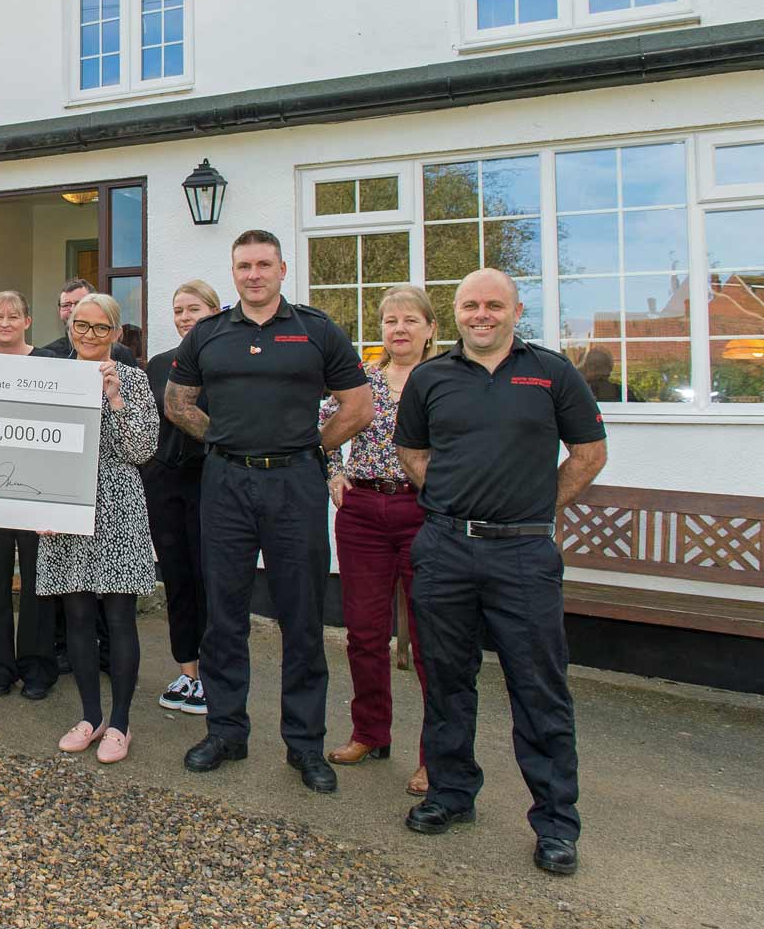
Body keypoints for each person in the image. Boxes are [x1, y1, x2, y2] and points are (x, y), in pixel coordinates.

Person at [396, 269, 607, 877]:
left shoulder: (551, 373)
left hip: (523, 555)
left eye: (493, 305)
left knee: (539, 690)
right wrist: (457, 499)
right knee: (447, 682)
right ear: (454, 313)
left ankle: (556, 824)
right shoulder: (431, 377)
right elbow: (412, 453)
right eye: (469, 305)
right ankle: (451, 795)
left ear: (516, 311)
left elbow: (590, 454)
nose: (481, 315)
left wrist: (535, 504)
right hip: (446, 551)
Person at [164, 228, 373, 793]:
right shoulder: (208, 334)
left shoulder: (316, 330)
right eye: (243, 266)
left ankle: (304, 745)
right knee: (224, 614)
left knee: (302, 616)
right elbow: (177, 402)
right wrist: (224, 439)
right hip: (227, 482)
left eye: (263, 264)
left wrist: (313, 446)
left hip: (295, 484)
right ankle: (226, 732)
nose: (253, 274)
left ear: (282, 269)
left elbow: (358, 405)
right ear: (233, 274)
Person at [319, 284, 440, 795]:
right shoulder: (363, 380)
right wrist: (333, 472)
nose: (400, 329)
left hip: (425, 512)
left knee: (432, 637)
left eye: (411, 320)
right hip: (364, 511)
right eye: (391, 320)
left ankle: (436, 755)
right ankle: (370, 732)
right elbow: (323, 425)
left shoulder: (445, 381)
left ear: (431, 328)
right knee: (365, 633)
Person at [36, 293, 159, 764]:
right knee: (79, 618)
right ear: (70, 329)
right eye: (81, 326)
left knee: (120, 619)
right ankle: (90, 716)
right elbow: (36, 445)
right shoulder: (52, 378)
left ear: (116, 333)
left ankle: (121, 722)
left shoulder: (133, 379)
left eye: (100, 328)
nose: (89, 335)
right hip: (66, 508)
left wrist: (115, 397)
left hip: (117, 505)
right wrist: (38, 504)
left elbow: (142, 448)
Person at [142, 280, 220, 716]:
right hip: (165, 484)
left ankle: (214, 673)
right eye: (178, 310)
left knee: (211, 577)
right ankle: (187, 671)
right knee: (176, 577)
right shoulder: (158, 364)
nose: (185, 317)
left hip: (212, 482)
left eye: (194, 309)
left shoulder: (226, 362)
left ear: (214, 310)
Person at [0, 290, 59, 700]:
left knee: (35, 582)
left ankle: (38, 667)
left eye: (14, 316)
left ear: (28, 321)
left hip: (36, 489)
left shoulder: (48, 363)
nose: (6, 322)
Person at [41, 279, 139, 365]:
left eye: (79, 303)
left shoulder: (123, 355)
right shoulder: (48, 354)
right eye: (66, 305)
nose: (72, 309)